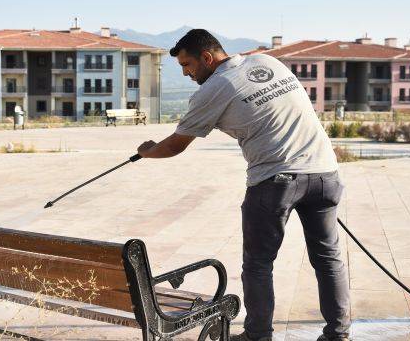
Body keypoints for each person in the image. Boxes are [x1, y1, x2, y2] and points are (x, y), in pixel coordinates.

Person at [136, 29, 350, 341]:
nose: (185, 72)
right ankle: (339, 334)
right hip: (325, 174)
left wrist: (146, 151)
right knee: (328, 259)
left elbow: (175, 145)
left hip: (275, 181)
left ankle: (257, 336)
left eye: (187, 65)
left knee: (259, 264)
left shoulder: (214, 88)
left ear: (207, 58)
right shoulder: (266, 61)